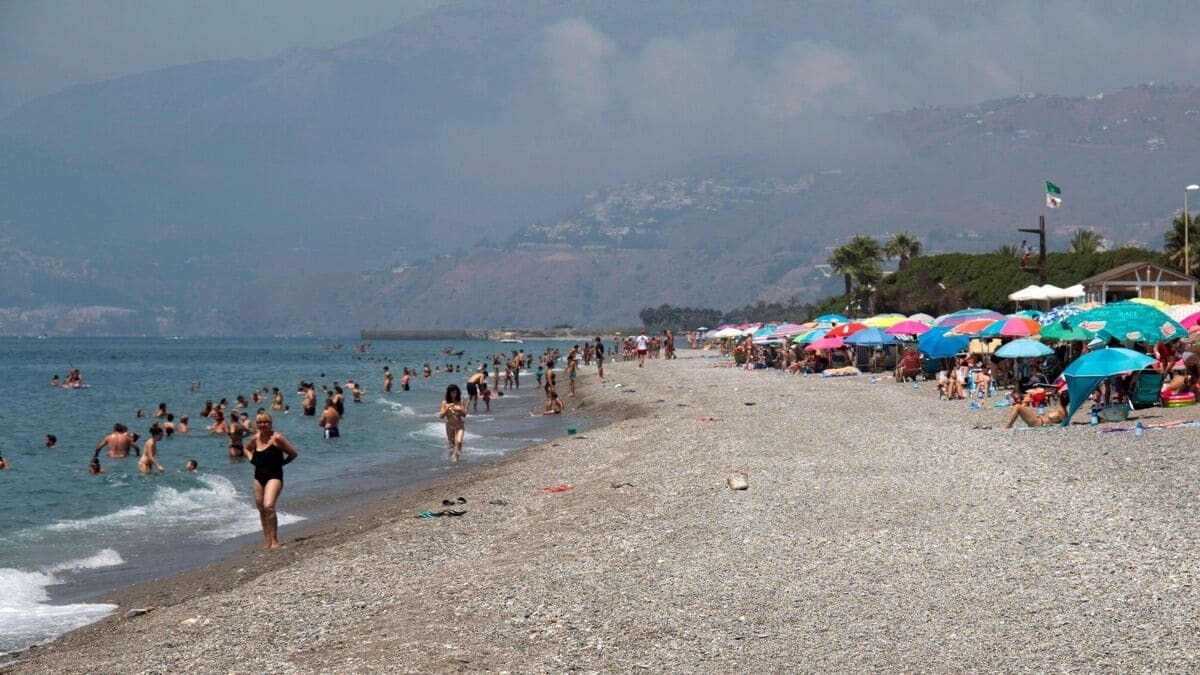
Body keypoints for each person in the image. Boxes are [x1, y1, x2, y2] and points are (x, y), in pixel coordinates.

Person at [243, 411, 298, 549]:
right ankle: (267, 541)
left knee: (268, 506)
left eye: (265, 422)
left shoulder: (277, 438)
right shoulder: (256, 438)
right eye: (260, 422)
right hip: (258, 477)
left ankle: (274, 541)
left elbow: (293, 453)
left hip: (275, 476)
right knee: (261, 508)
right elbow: (246, 449)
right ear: (257, 425)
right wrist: (251, 459)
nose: (262, 425)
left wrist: (283, 463)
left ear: (270, 424)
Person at [1004, 390, 1070, 428]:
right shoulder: (1059, 406)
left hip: (1038, 423)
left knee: (1018, 407)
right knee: (1018, 406)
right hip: (1038, 419)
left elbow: (1065, 424)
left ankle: (1007, 426)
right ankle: (1008, 425)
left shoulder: (1062, 411)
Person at [439, 384, 466, 463]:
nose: (454, 394)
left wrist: (459, 409)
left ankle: (457, 458)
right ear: (449, 393)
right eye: (452, 393)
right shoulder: (444, 403)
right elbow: (441, 416)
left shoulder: (461, 401)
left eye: (455, 392)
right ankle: (453, 460)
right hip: (449, 426)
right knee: (452, 445)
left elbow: (464, 415)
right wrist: (447, 407)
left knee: (459, 441)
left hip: (459, 425)